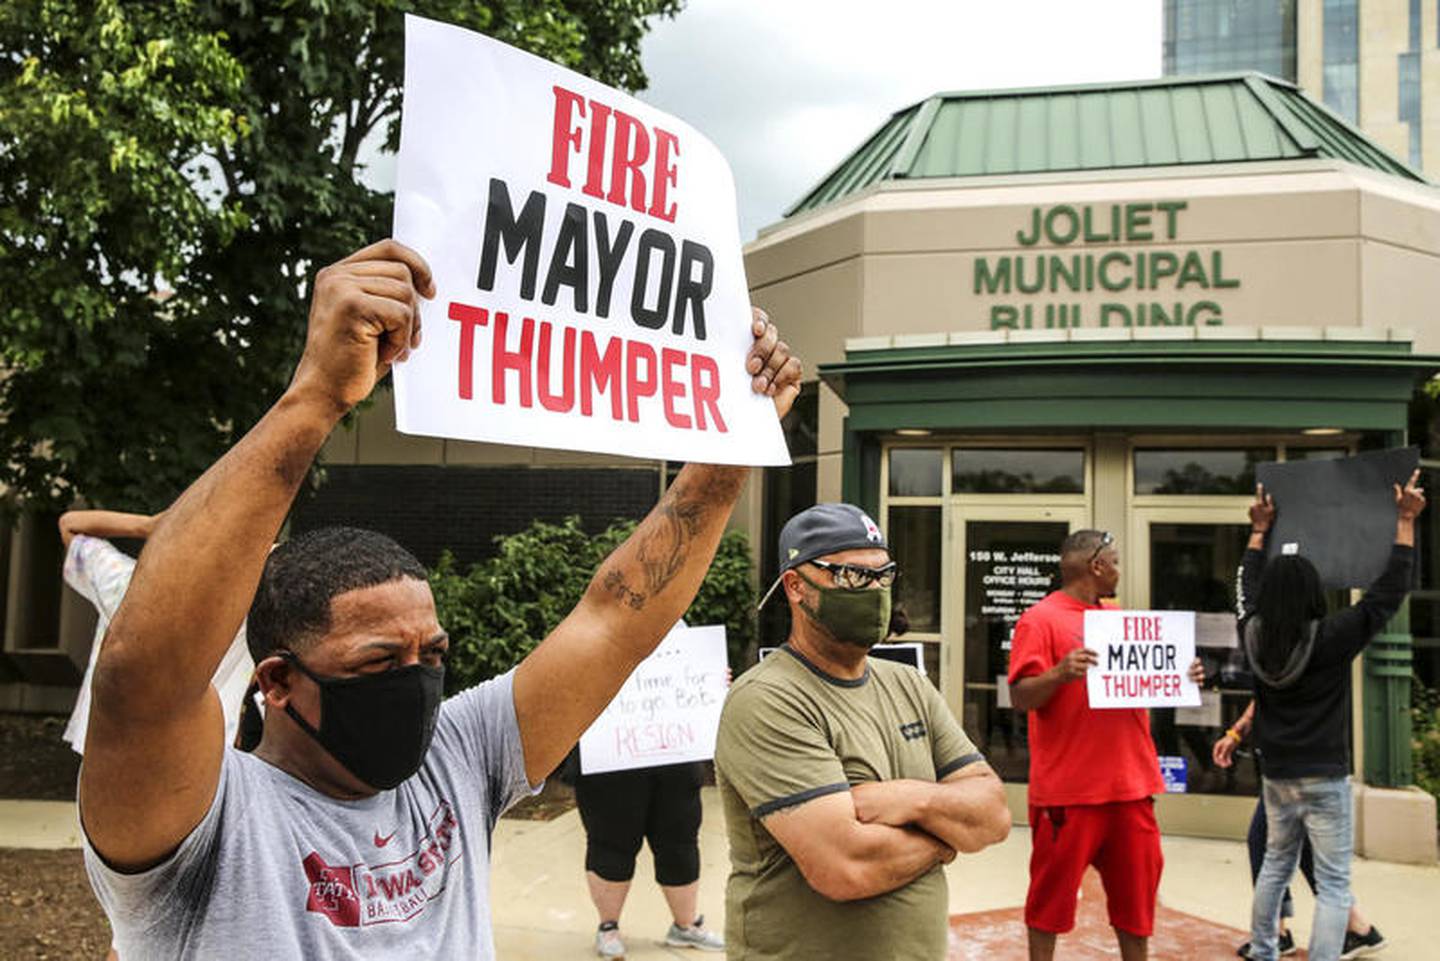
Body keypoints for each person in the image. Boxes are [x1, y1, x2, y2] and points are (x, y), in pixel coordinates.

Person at [77, 239, 802, 959]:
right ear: (276, 681)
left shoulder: (456, 757)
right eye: (381, 659)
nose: (418, 676)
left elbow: (615, 620)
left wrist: (735, 446)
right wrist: (318, 394)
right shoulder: (202, 819)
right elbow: (144, 676)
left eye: (433, 651)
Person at [714, 503, 1011, 961]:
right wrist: (948, 839)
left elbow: (992, 815)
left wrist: (912, 799)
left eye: (883, 575)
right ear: (796, 586)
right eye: (852, 576)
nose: (874, 590)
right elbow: (845, 866)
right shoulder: (769, 698)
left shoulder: (907, 684)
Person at [1238, 476, 1422, 961]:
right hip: (1325, 774)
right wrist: (1404, 522)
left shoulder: (1252, 636)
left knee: (1275, 865)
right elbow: (1386, 595)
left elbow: (1247, 589)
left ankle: (1263, 951)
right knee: (1336, 882)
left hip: (1277, 774)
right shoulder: (1334, 637)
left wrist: (1259, 534)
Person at [1007, 529, 1206, 961]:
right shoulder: (1039, 619)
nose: (1119, 569)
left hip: (1131, 788)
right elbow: (1020, 697)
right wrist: (1059, 674)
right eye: (1114, 561)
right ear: (1096, 566)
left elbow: (1137, 683)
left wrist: (1179, 674)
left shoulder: (1117, 618)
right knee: (1050, 902)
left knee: (1136, 906)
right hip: (1068, 793)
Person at [59, 510, 254, 752]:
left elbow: (70, 524)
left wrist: (151, 525)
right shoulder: (246, 598)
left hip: (114, 752)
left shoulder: (126, 587)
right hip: (203, 756)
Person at [1213, 702, 1384, 959]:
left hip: (1295, 765)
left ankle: (1276, 938)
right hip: (1299, 764)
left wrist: (1237, 731)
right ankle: (1355, 927)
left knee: (1279, 853)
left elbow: (1264, 690)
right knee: (1294, 853)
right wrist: (1238, 731)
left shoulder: (1280, 663)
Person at [575, 758, 724, 957]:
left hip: (675, 754)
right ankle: (608, 927)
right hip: (610, 761)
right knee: (611, 843)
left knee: (680, 840)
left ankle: (685, 927)